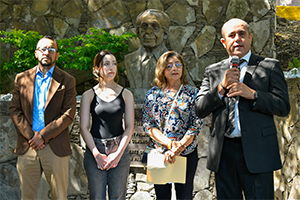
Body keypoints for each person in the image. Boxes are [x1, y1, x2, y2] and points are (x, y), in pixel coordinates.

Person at [194, 18, 290, 199]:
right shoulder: (213, 71)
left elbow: (283, 106)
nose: (237, 38)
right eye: (231, 35)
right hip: (224, 154)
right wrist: (221, 87)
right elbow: (199, 109)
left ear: (250, 38)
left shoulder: (269, 66)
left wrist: (254, 94)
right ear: (224, 42)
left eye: (242, 34)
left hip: (258, 153)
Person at [9, 36, 77, 199]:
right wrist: (32, 136)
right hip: (28, 145)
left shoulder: (67, 80)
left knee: (59, 196)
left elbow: (68, 114)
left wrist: (43, 136)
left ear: (57, 55)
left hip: (55, 146)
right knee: (28, 196)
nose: (47, 52)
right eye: (43, 49)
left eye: (51, 49)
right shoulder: (22, 78)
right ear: (36, 53)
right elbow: (15, 109)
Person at [143, 51, 202, 199]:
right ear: (162, 70)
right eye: (169, 66)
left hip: (186, 152)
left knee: (185, 195)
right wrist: (170, 144)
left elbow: (196, 123)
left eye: (178, 65)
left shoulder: (193, 93)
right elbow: (148, 125)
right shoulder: (153, 94)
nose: (174, 68)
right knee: (162, 197)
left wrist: (180, 146)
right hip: (160, 153)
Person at [80, 50, 134, 200]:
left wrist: (117, 155)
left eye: (114, 64)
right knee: (97, 196)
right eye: (106, 64)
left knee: (118, 196)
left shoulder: (126, 94)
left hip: (119, 150)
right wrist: (96, 154)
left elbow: (129, 126)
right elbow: (84, 127)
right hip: (94, 149)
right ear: (97, 69)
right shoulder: (88, 95)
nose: (111, 67)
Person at [124, 9, 170, 101]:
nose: (148, 31)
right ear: (138, 32)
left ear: (165, 34)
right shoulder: (129, 60)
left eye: (155, 27)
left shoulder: (174, 61)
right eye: (144, 27)